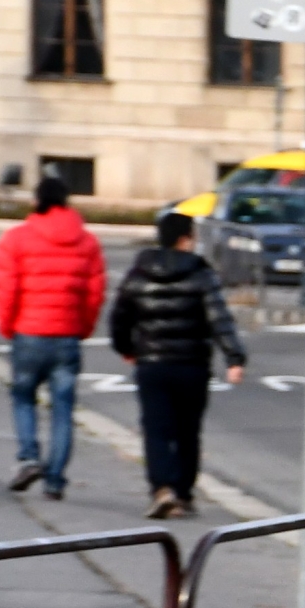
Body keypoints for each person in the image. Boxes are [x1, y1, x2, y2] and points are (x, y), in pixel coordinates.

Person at [110, 212, 247, 518]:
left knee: (156, 429)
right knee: (188, 431)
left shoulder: (139, 273)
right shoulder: (201, 274)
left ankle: (162, 488)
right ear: (185, 238)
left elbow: (120, 316)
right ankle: (183, 493)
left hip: (152, 364)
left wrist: (127, 348)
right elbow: (219, 319)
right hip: (192, 365)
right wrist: (234, 357)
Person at [0, 176, 106, 500]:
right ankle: (55, 479)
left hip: (28, 331)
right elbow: (94, 294)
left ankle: (28, 457)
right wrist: (83, 327)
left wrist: (7, 325)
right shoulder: (87, 242)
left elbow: (5, 289)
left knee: (23, 397)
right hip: (67, 335)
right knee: (63, 409)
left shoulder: (16, 239)